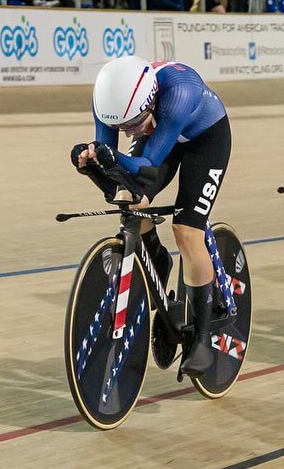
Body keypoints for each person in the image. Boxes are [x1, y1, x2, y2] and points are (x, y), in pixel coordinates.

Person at [70, 56, 232, 378]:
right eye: (122, 128)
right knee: (131, 199)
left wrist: (113, 158)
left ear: (151, 99)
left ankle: (201, 338)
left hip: (205, 139)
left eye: (133, 125)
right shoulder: (112, 102)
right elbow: (115, 167)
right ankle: (157, 260)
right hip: (160, 133)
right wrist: (89, 162)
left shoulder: (177, 93)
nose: (128, 132)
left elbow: (147, 166)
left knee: (187, 231)